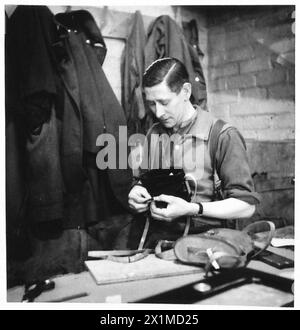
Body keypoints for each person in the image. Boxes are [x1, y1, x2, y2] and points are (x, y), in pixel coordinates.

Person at [128, 57, 260, 248]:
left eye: (164, 102)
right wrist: (137, 191)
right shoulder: (154, 133)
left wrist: (191, 209)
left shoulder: (222, 135)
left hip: (206, 245)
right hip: (156, 242)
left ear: (186, 91)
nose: (158, 112)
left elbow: (247, 206)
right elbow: (144, 180)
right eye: (151, 104)